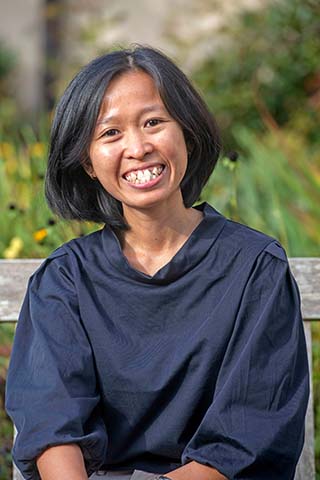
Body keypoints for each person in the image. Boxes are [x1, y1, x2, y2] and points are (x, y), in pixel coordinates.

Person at [5, 45, 309, 480]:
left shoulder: (255, 268)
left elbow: (246, 436)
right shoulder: (65, 280)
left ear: (185, 131)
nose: (138, 147)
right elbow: (51, 422)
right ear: (88, 163)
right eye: (110, 133)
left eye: (153, 122)